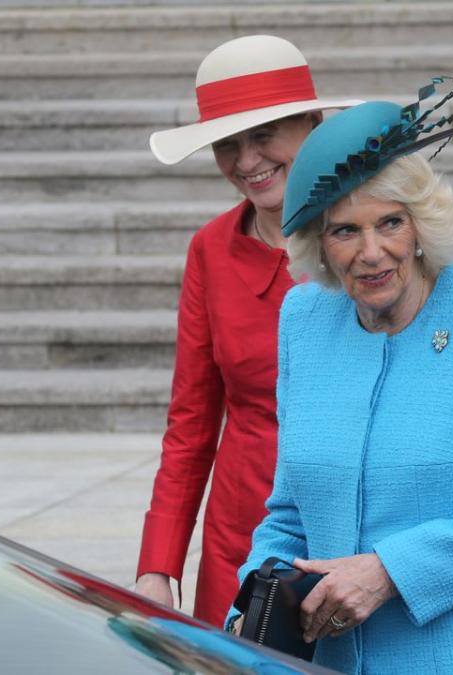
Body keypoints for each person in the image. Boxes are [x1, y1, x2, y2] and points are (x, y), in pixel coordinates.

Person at [230, 82, 453, 674]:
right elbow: (290, 510)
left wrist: (387, 572)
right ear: (319, 242)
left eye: (390, 223)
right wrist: (254, 600)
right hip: (336, 659)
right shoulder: (305, 318)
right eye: (345, 230)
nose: (371, 252)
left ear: (420, 227)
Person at [134, 34, 360, 625]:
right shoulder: (210, 250)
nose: (246, 160)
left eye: (264, 135)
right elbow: (190, 421)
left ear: (313, 124)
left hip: (357, 530)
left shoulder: (375, 241)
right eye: (227, 145)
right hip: (243, 538)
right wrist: (158, 564)